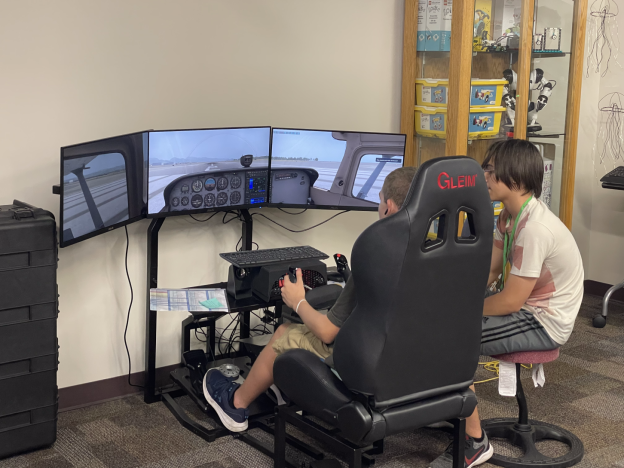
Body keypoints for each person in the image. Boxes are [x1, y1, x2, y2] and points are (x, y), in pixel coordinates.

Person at [203, 166, 418, 432]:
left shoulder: (374, 257)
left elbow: (327, 333)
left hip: (363, 361)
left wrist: (298, 301)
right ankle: (285, 388)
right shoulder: (436, 253)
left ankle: (235, 404)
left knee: (284, 332)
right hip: (409, 355)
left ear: (387, 207)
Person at [430, 139, 584, 468]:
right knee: (437, 315)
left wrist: (461, 312)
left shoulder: (536, 229)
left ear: (515, 177)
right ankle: (447, 405)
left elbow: (512, 300)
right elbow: (491, 269)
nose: (483, 176)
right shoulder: (507, 216)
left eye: (489, 170)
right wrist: (455, 299)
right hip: (525, 306)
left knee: (454, 339)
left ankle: (474, 442)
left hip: (544, 321)